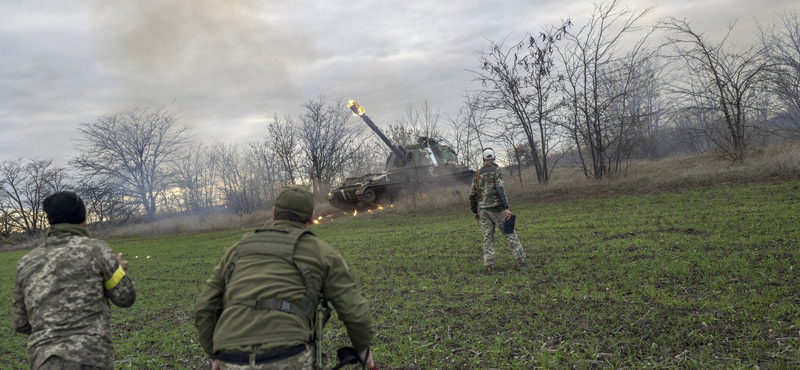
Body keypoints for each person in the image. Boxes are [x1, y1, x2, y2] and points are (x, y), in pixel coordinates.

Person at [194, 185, 376, 370]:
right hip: (289, 356)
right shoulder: (323, 253)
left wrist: (214, 355)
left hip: (231, 357)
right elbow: (354, 310)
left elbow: (204, 306)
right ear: (311, 217)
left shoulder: (237, 250)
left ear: (274, 214)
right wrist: (363, 350)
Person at [12, 191, 136, 370]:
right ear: (84, 219)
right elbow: (125, 298)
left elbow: (20, 323)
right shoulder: (97, 250)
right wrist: (117, 272)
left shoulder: (26, 262)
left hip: (44, 361)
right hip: (91, 357)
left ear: (50, 221)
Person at [469, 148, 530, 275]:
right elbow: (500, 190)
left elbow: (472, 195)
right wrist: (506, 208)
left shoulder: (477, 173)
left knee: (488, 238)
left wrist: (475, 212)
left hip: (484, 211)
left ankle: (489, 267)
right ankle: (520, 262)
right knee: (510, 233)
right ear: (494, 158)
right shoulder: (497, 170)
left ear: (483, 159)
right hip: (498, 210)